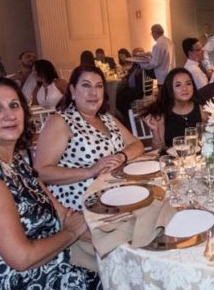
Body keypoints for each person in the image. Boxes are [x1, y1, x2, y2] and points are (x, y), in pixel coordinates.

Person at [0, 76, 102, 290]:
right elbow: (22, 258)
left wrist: (102, 235)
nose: (9, 115)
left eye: (14, 105)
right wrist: (72, 233)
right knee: (119, 280)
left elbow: (62, 213)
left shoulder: (14, 162)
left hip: (50, 260)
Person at [34, 65, 144, 211]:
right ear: (72, 91)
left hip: (116, 198)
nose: (94, 93)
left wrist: (121, 156)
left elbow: (137, 144)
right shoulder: (60, 121)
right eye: (86, 85)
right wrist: (90, 171)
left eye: (99, 86)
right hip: (82, 206)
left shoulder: (107, 118)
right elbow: (41, 172)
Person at [142, 68, 207, 150]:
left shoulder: (201, 109)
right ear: (170, 89)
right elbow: (158, 151)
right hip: (173, 157)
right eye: (178, 85)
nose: (185, 88)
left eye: (188, 83)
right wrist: (155, 131)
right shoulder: (162, 114)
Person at [115, 48, 146, 122]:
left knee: (120, 98)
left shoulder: (144, 66)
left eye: (136, 56)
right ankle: (127, 115)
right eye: (134, 55)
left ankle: (128, 118)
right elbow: (130, 74)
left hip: (138, 91)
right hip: (133, 88)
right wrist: (126, 76)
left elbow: (136, 79)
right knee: (117, 95)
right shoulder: (136, 65)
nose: (134, 57)